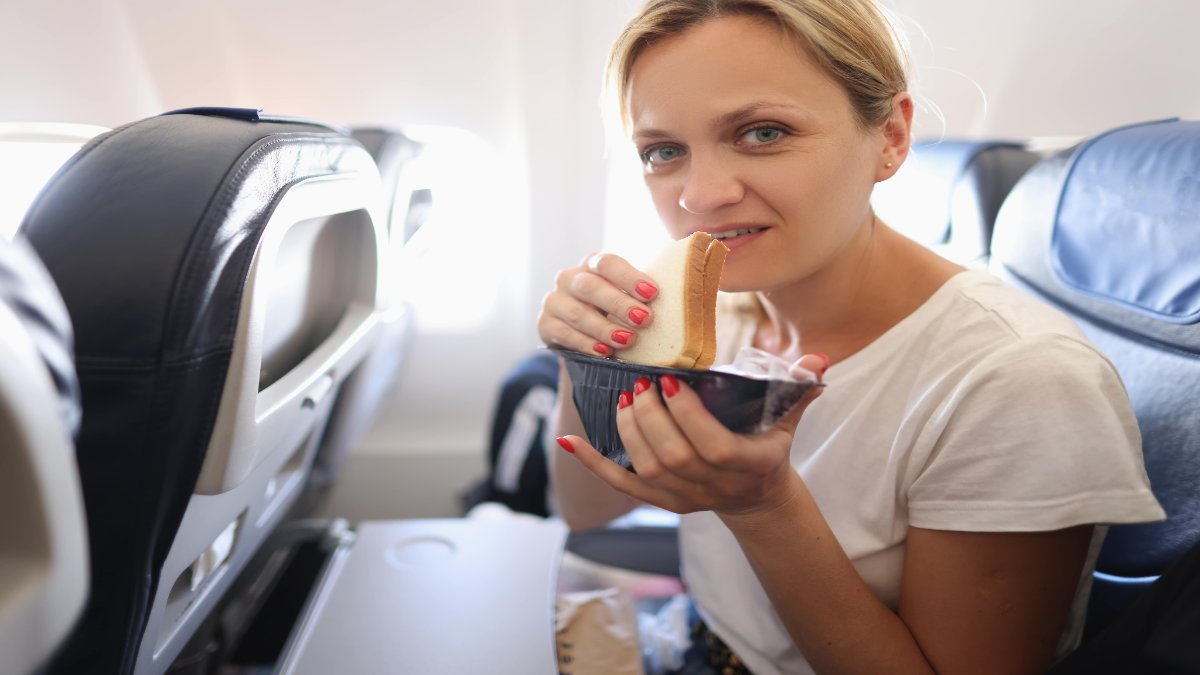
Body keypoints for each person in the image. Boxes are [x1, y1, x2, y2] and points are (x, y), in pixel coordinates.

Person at [536, 1, 1166, 673]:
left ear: (891, 137)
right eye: (663, 151)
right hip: (695, 641)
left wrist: (763, 507)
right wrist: (589, 361)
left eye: (763, 132)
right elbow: (587, 505)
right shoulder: (707, 313)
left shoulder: (1018, 381)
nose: (701, 195)